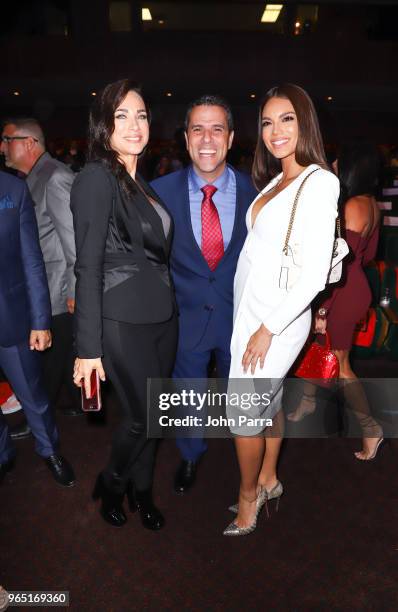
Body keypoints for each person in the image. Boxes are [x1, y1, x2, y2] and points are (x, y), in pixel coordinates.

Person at [223, 84, 339, 536]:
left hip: (278, 317)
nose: (275, 131)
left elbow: (312, 273)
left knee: (243, 413)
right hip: (251, 311)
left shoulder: (319, 180)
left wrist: (268, 328)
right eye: (268, 122)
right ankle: (269, 478)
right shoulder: (277, 179)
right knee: (265, 402)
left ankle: (248, 494)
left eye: (286, 119)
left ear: (304, 121)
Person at [71, 79, 177, 529]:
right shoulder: (96, 177)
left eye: (141, 115)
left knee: (158, 416)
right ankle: (111, 482)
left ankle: (142, 491)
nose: (134, 125)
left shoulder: (143, 183)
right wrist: (87, 349)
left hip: (162, 317)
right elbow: (87, 266)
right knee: (143, 416)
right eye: (121, 116)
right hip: (120, 318)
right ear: (103, 125)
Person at [151, 95, 258, 493]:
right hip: (184, 319)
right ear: (185, 138)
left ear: (230, 139)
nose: (207, 138)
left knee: (244, 404)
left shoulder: (258, 192)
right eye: (198, 128)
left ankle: (246, 459)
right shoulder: (158, 192)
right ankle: (190, 455)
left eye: (217, 129)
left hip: (243, 322)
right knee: (188, 398)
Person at [289, 143, 382, 460]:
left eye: (340, 161)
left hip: (341, 289)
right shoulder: (372, 204)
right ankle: (308, 401)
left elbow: (339, 264)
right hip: (356, 285)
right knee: (318, 344)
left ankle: (370, 429)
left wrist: (325, 306)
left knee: (342, 366)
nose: (334, 164)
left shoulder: (352, 205)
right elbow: (367, 256)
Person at [0, 117, 80, 435]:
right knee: (55, 360)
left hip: (57, 291)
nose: (2, 146)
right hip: (43, 290)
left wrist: (75, 289)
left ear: (29, 143)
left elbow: (73, 239)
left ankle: (41, 426)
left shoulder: (55, 176)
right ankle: (67, 407)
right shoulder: (32, 176)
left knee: (46, 362)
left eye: (7, 139)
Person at [0, 170, 75, 487]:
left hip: (12, 318)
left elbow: (32, 260)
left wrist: (41, 320)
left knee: (33, 394)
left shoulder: (13, 189)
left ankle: (49, 450)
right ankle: (3, 454)